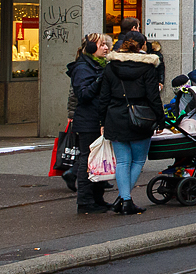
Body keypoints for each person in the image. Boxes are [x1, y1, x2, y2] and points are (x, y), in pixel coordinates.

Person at [98, 32, 165, 214]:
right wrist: (161, 119)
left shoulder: (111, 67)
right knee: (138, 160)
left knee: (122, 162)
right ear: (142, 46)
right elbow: (153, 97)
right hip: (141, 118)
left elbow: (103, 97)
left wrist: (101, 120)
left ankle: (125, 199)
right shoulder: (149, 68)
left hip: (115, 116)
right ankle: (125, 199)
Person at [69, 34, 113, 213]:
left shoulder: (98, 65)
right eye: (102, 45)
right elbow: (84, 94)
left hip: (98, 119)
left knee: (99, 160)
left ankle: (98, 198)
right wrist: (100, 80)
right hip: (88, 121)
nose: (106, 48)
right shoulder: (82, 67)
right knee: (87, 161)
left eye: (106, 45)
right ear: (91, 47)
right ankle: (85, 202)